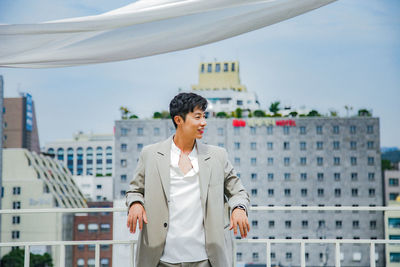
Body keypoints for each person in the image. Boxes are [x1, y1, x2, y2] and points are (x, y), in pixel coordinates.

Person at [126, 92, 250, 267]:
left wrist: (238, 208)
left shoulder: (217, 156)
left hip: (206, 259)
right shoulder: (151, 154)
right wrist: (135, 204)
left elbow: (238, 191)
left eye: (204, 116)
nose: (203, 122)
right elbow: (134, 190)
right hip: (161, 259)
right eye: (197, 117)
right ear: (178, 120)